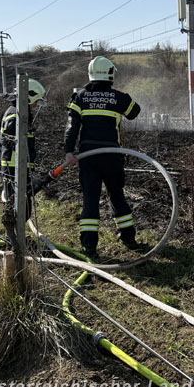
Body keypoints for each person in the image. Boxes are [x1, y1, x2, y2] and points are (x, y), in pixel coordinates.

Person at [63, 56, 141, 258]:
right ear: (110, 73)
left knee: (90, 199)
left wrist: (69, 151)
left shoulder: (79, 97)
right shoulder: (117, 97)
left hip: (88, 157)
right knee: (116, 195)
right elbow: (135, 112)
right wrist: (119, 98)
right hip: (112, 156)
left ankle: (88, 246)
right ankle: (128, 238)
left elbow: (71, 128)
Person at [0, 79, 46, 212]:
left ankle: (17, 229)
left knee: (21, 203)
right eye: (36, 101)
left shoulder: (20, 112)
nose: (37, 104)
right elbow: (9, 141)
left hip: (18, 164)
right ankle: (15, 231)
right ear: (29, 98)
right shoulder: (16, 115)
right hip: (14, 165)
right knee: (18, 205)